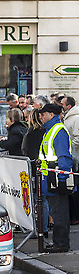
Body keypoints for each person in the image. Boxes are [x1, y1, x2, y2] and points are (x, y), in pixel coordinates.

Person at [38, 103, 73, 253]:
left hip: (57, 179)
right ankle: (58, 242)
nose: (40, 117)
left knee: (59, 214)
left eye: (42, 114)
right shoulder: (51, 130)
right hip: (51, 178)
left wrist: (62, 179)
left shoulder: (57, 131)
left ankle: (61, 244)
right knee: (57, 212)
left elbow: (64, 156)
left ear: (51, 115)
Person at [22, 108, 49, 237]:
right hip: (45, 168)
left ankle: (39, 230)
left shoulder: (32, 133)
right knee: (43, 199)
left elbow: (26, 149)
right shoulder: (45, 131)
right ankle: (43, 228)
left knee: (37, 199)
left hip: (34, 168)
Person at [61, 96, 79, 224]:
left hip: (75, 157)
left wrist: (69, 148)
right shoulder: (68, 117)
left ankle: (76, 217)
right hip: (71, 157)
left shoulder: (76, 118)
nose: (60, 105)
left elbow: (77, 138)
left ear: (68, 106)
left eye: (62, 104)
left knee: (75, 189)